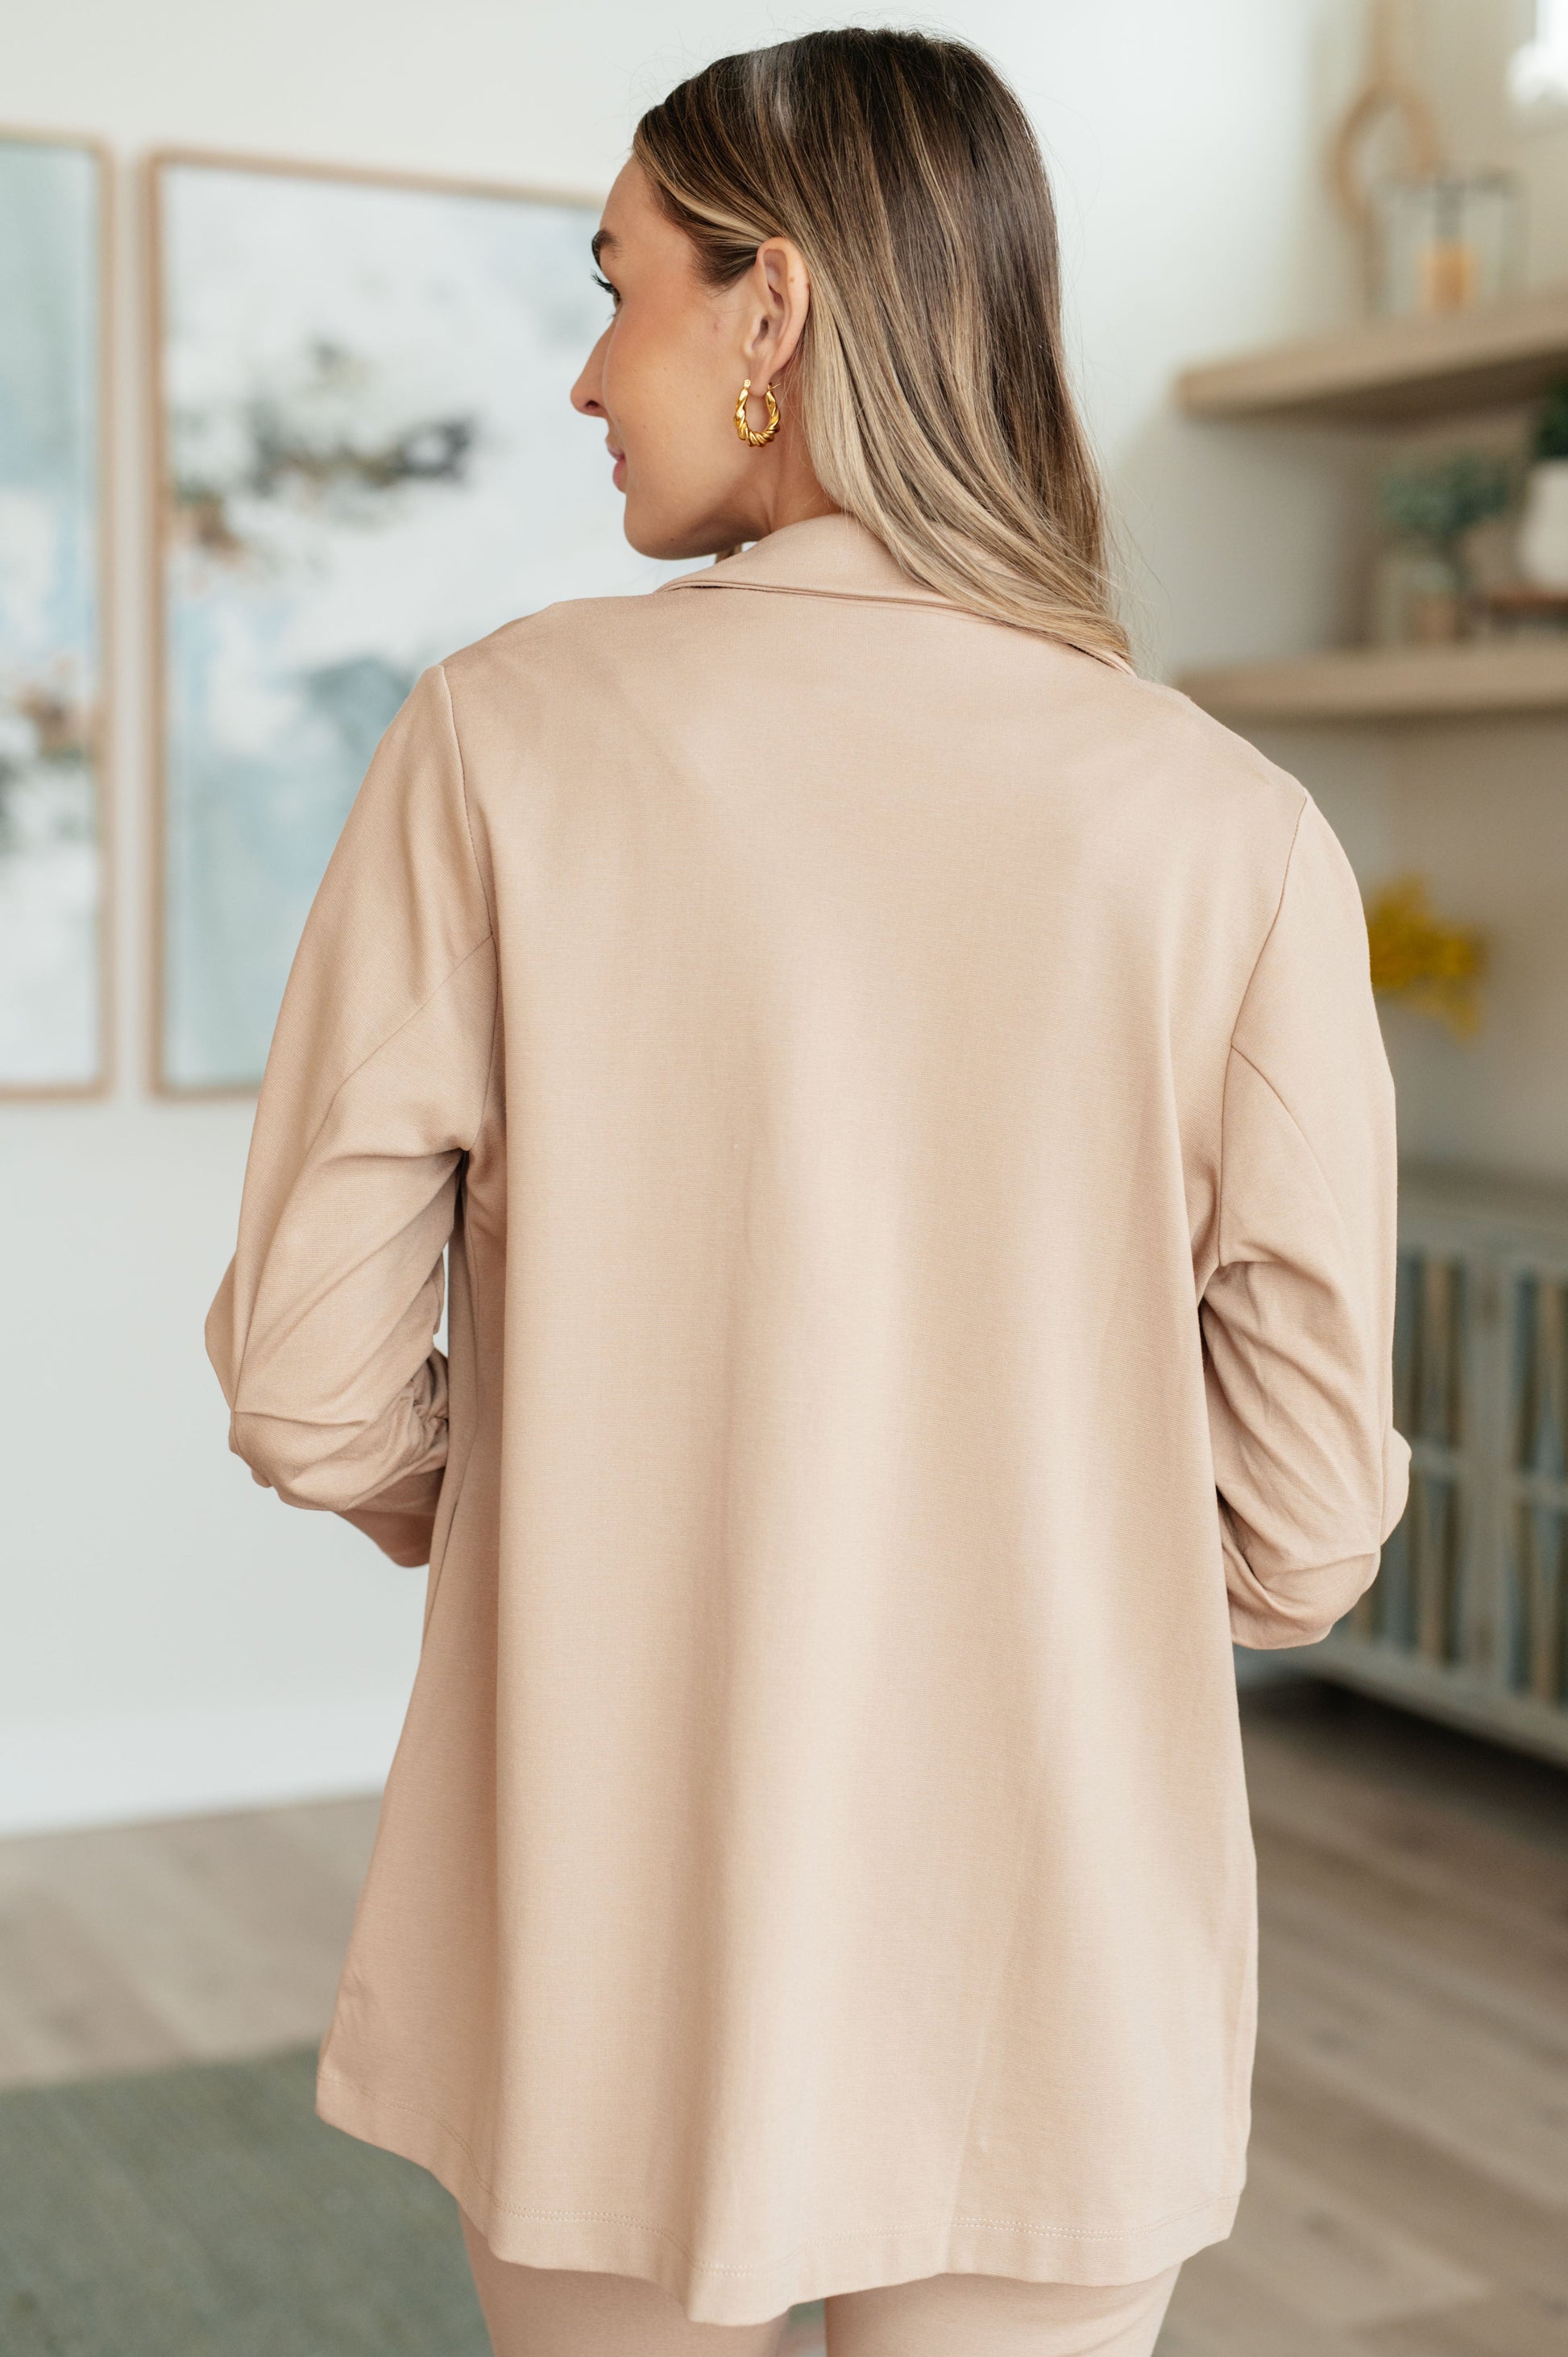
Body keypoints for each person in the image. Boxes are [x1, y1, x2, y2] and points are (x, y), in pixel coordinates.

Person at [205, 27, 1408, 2357]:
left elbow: (310, 1388)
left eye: (616, 286)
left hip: (605, 1913)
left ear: (773, 307)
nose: (584, 373)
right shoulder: (1230, 832)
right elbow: (1300, 1535)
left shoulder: (498, 739)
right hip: (1056, 1949)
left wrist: (560, 1507)